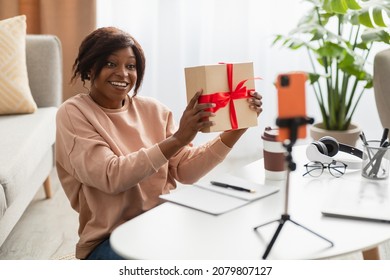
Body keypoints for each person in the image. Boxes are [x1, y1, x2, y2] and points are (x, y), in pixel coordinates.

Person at [55, 26, 263, 260]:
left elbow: (185, 171)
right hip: (110, 239)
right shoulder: (73, 113)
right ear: (90, 67)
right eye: (111, 64)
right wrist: (178, 139)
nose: (123, 73)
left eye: (131, 66)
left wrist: (238, 128)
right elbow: (111, 176)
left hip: (163, 224)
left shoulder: (154, 110)